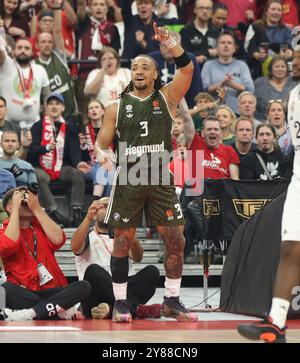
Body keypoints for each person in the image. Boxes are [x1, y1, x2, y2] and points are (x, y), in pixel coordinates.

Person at [94, 22, 198, 323]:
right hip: (129, 177)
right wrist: (103, 155)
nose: (139, 70)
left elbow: (187, 70)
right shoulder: (116, 107)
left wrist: (171, 42)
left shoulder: (167, 97)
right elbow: (102, 144)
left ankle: (172, 299)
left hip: (159, 177)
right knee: (123, 240)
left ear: (155, 74)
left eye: (145, 67)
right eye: (135, 67)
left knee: (176, 240)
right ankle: (122, 303)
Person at [237, 77, 300, 344]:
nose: (293, 62)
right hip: (298, 178)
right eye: (292, 56)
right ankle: (277, 323)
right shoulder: (294, 94)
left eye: (298, 56)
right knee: (289, 248)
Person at [0, 186, 91, 321]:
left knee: (84, 286)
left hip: (52, 289)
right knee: (4, 290)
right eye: (24, 202)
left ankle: (31, 313)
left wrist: (37, 209)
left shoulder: (40, 225)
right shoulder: (4, 230)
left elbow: (59, 240)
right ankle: (57, 309)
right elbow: (8, 246)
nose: (28, 204)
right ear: (9, 208)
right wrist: (15, 209)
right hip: (23, 291)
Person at [71, 197, 161, 320]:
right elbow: (75, 247)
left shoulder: (123, 234)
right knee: (93, 270)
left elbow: (138, 257)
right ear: (95, 211)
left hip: (123, 288)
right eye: (103, 205)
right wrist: (88, 218)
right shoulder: (88, 233)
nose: (107, 209)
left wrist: (130, 233)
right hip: (95, 293)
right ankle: (135, 309)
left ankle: (111, 308)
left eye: (111, 206)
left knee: (152, 272)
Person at [27, 92, 89, 227]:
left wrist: (79, 163)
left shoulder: (69, 126)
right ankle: (52, 212)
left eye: (57, 104)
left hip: (62, 168)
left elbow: (74, 150)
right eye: (51, 104)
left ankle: (76, 213)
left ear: (63, 108)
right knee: (37, 175)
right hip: (42, 167)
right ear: (45, 108)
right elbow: (31, 151)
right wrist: (46, 148)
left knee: (77, 174)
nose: (54, 107)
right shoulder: (37, 126)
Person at [0, 36, 50, 129]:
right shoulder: (6, 66)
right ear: (14, 51)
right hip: (8, 126)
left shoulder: (40, 70)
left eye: (27, 48)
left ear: (32, 52)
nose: (23, 51)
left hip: (34, 126)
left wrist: (47, 121)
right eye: (19, 48)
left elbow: (47, 96)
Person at [201, 31, 254, 114]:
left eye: (229, 43)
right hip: (213, 113)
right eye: (222, 43)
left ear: (234, 48)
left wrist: (231, 84)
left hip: (237, 112)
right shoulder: (208, 65)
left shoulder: (242, 65)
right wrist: (221, 83)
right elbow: (204, 90)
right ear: (217, 48)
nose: (226, 45)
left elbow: (250, 89)